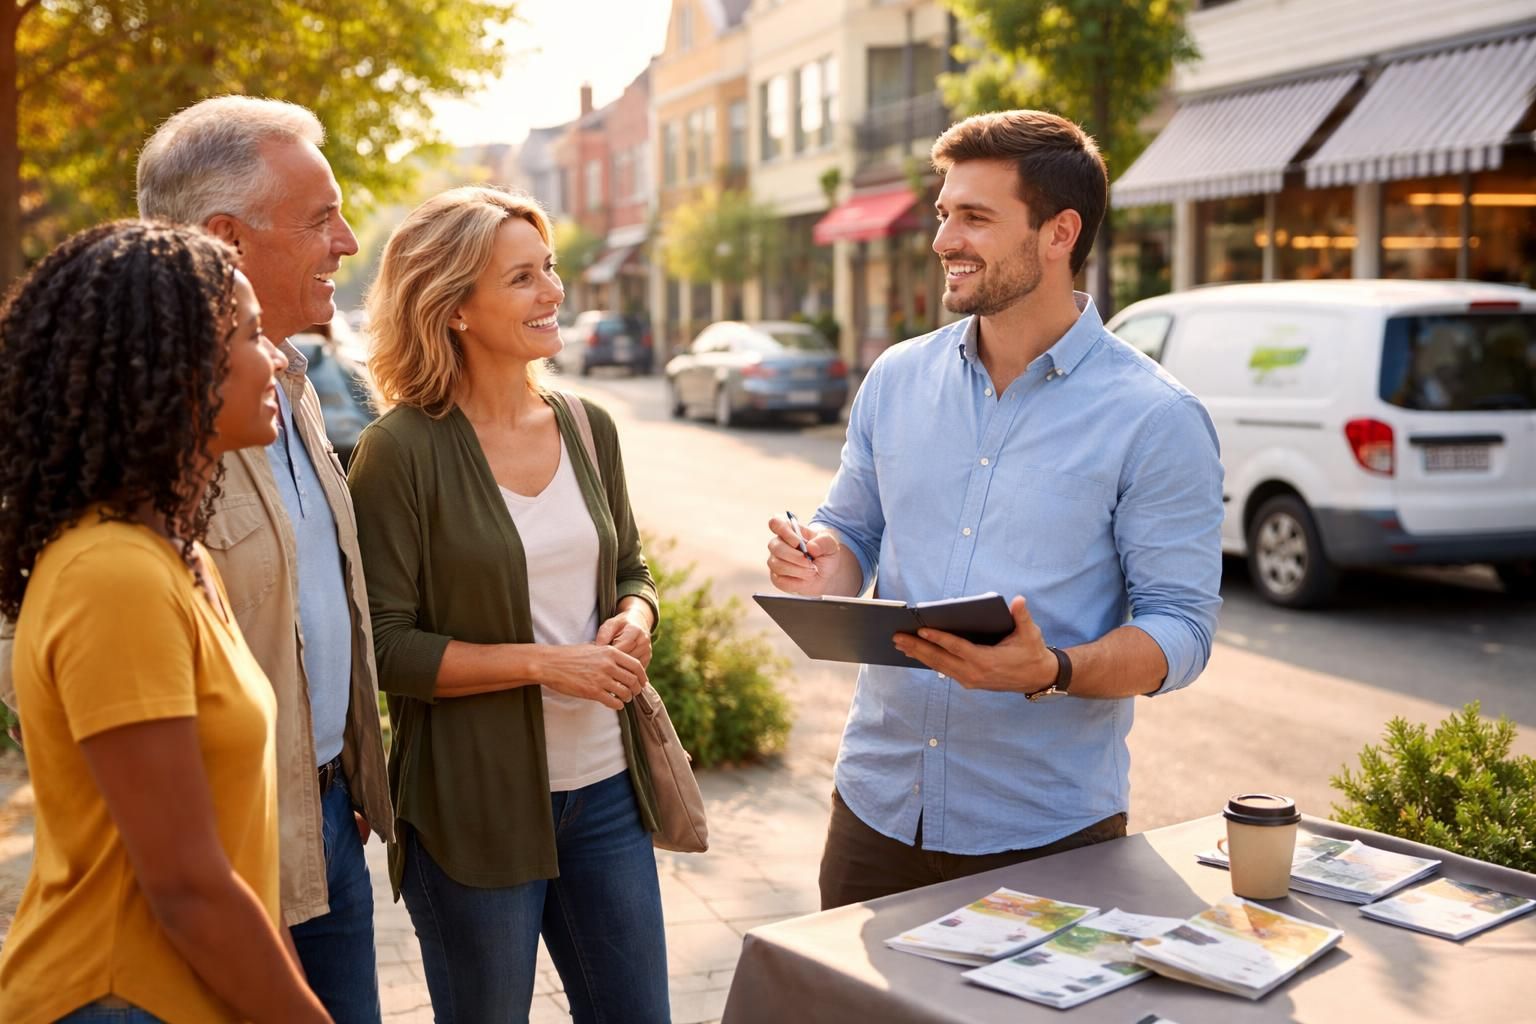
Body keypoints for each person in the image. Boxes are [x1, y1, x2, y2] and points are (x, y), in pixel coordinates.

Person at [765, 110, 1224, 910]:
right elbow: (854, 532)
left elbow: (1181, 629)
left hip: (1044, 831)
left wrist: (1053, 671)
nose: (944, 239)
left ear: (1059, 233)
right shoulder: (895, 379)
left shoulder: (1156, 417)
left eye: (975, 217)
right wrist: (821, 559)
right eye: (945, 213)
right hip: (877, 809)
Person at [347, 185, 669, 1022]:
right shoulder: (398, 451)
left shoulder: (588, 426)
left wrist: (635, 618)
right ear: (454, 307)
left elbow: (631, 569)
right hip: (472, 809)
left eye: (549, 268)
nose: (553, 291)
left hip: (606, 792)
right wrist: (546, 665)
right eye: (522, 278)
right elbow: (384, 648)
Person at [0, 222, 329, 1022]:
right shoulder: (113, 576)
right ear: (173, 367)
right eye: (250, 335)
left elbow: (227, 865)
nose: (277, 358)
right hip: (117, 997)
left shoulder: (177, 555)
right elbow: (185, 887)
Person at [135, 96, 394, 1019]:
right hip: (219, 855)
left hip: (326, 822)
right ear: (227, 241)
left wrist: (339, 772)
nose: (348, 243)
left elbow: (317, 603)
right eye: (322, 218)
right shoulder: (137, 430)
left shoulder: (294, 385)